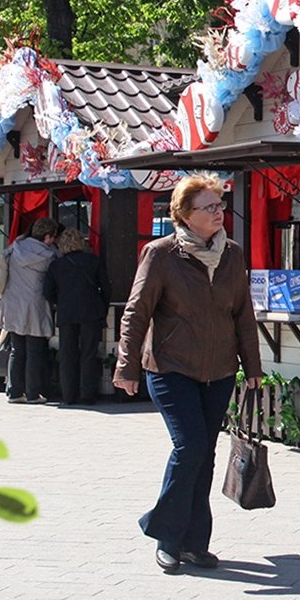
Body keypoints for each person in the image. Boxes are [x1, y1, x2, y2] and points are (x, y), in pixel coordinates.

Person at [114, 174, 263, 574]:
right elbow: (136, 312)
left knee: (205, 455)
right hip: (170, 367)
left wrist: (253, 367)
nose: (219, 212)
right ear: (185, 214)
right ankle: (165, 536)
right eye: (210, 207)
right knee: (191, 446)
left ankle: (195, 544)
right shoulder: (161, 254)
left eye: (220, 205)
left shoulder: (231, 253)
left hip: (217, 371)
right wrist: (126, 366)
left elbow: (243, 314)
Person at [0, 218, 59, 404]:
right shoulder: (49, 256)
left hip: (13, 304)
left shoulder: (15, 248)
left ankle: (14, 391)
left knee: (16, 350)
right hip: (35, 306)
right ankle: (33, 393)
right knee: (35, 351)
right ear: (47, 237)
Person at [44, 228, 111, 406]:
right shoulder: (93, 261)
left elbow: (47, 291)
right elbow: (105, 287)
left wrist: (60, 301)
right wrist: (102, 307)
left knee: (67, 355)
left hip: (67, 312)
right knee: (89, 353)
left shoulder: (56, 265)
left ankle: (68, 395)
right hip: (91, 311)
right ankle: (87, 394)